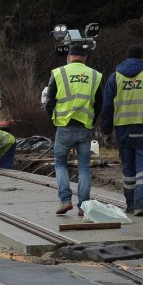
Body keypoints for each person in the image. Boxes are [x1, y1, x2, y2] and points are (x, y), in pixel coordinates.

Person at [101, 45, 143, 216]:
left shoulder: (114, 78)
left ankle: (131, 205)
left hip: (123, 130)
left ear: (126, 58)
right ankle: (141, 205)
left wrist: (106, 130)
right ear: (142, 58)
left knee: (129, 171)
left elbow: (107, 107)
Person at [45, 45, 103, 216]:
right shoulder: (95, 75)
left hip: (64, 126)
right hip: (85, 126)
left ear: (69, 57)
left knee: (61, 164)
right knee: (84, 167)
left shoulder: (58, 73)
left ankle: (65, 200)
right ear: (85, 58)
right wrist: (92, 121)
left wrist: (55, 121)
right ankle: (84, 205)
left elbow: (49, 102)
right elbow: (100, 103)